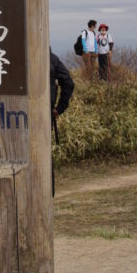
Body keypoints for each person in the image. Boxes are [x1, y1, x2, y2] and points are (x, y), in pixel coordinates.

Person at [50, 48, 74, 196]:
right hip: (45, 115)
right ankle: (47, 193)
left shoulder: (15, 56)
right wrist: (59, 109)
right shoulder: (51, 58)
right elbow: (68, 83)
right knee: (43, 156)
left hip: (15, 118)